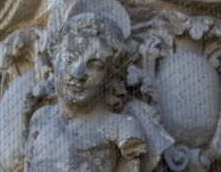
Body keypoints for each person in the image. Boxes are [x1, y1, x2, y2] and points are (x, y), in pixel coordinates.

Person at [24, 14, 147, 172]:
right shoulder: (40, 119)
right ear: (55, 61)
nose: (78, 74)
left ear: (111, 76)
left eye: (95, 65)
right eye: (69, 59)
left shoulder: (122, 128)